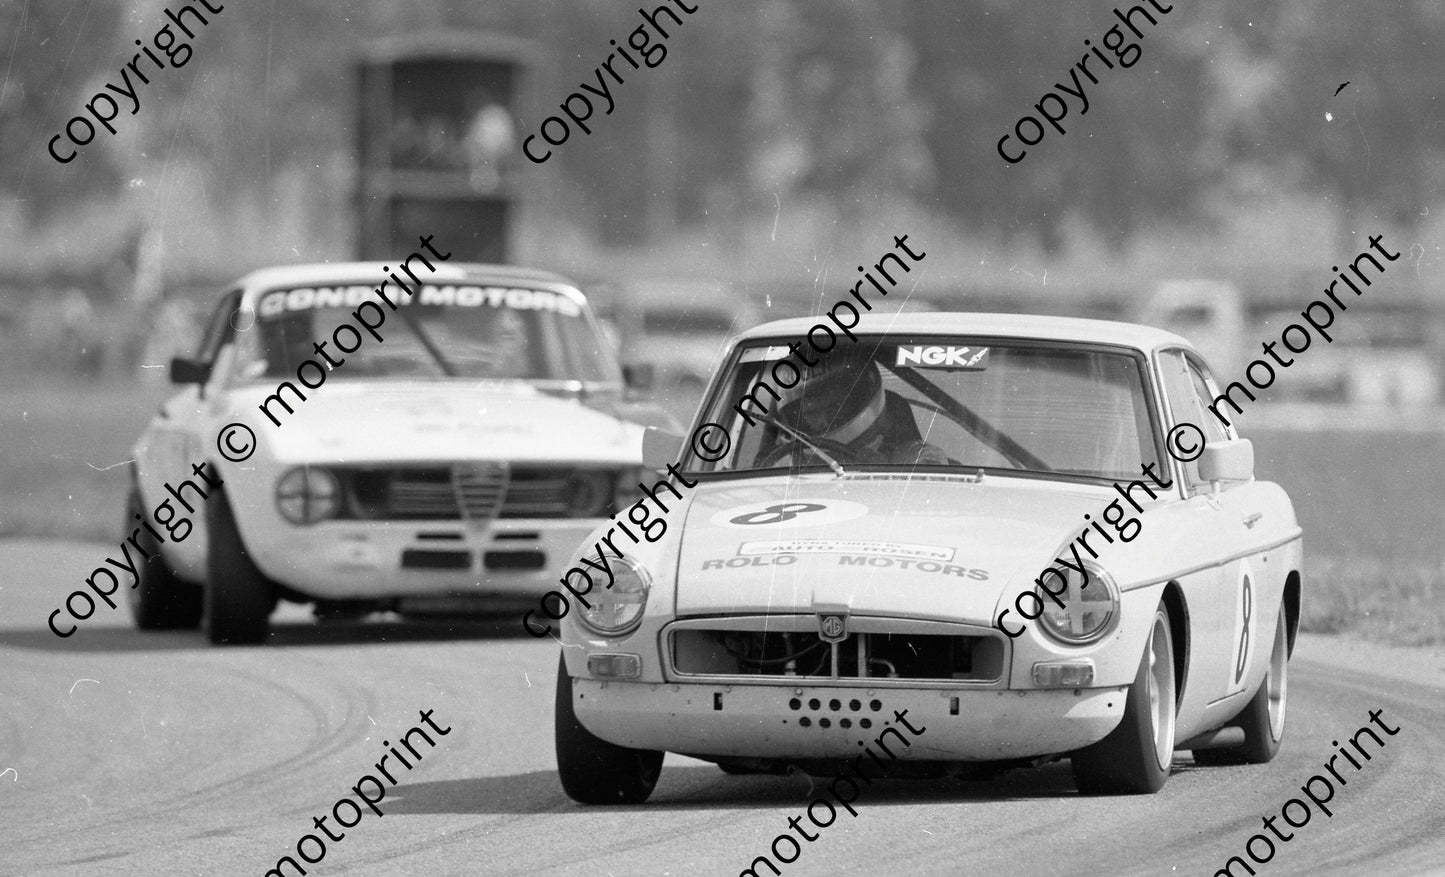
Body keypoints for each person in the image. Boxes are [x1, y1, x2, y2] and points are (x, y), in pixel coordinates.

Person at [773, 349, 950, 466]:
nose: (824, 419)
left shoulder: (913, 458)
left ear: (860, 393)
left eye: (834, 405)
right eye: (811, 413)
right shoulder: (784, 465)